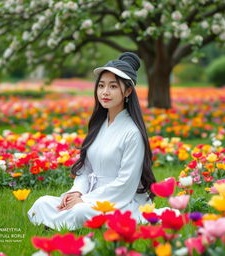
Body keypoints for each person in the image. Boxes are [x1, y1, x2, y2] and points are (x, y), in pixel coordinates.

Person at [27, 52, 156, 231]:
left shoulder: (132, 133)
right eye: (101, 85)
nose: (105, 92)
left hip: (118, 202)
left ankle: (63, 221)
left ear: (127, 91)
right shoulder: (98, 126)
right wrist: (76, 192)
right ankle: (66, 218)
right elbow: (86, 171)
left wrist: (85, 200)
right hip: (87, 197)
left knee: (81, 211)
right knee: (43, 203)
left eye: (113, 86)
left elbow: (125, 185)